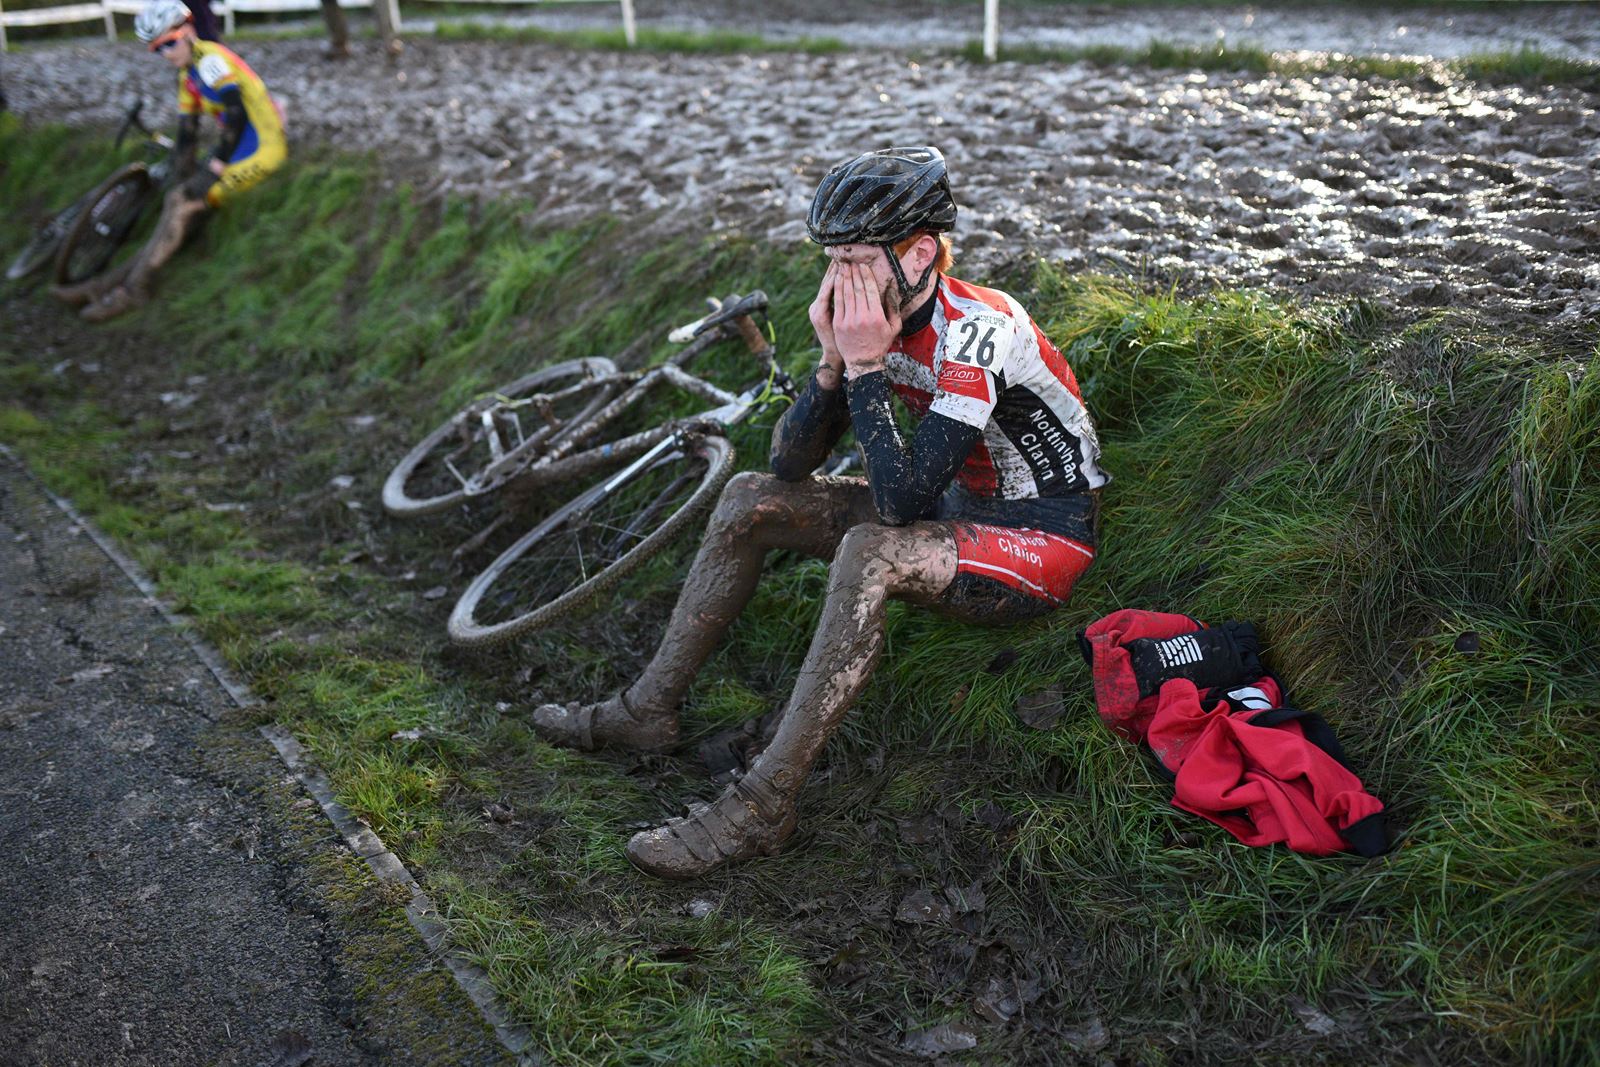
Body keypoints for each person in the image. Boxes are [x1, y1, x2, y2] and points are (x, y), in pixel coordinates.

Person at [533, 146, 1110, 879]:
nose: (842, 282)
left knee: (873, 549)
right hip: (950, 505)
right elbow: (789, 466)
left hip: (1038, 531)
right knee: (749, 497)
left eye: (858, 261)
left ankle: (764, 803)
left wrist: (867, 365)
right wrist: (833, 364)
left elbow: (897, 506)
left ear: (921, 252)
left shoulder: (980, 329)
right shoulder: (877, 314)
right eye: (832, 262)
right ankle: (647, 709)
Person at [52, 0, 286, 321]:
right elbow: (187, 130)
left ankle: (134, 290)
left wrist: (215, 165)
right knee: (177, 196)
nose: (167, 54)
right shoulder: (187, 74)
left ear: (188, 31)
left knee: (182, 200)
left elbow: (237, 115)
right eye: (157, 50)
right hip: (240, 148)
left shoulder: (211, 61)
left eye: (170, 44)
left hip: (264, 151)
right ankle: (107, 284)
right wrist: (182, 165)